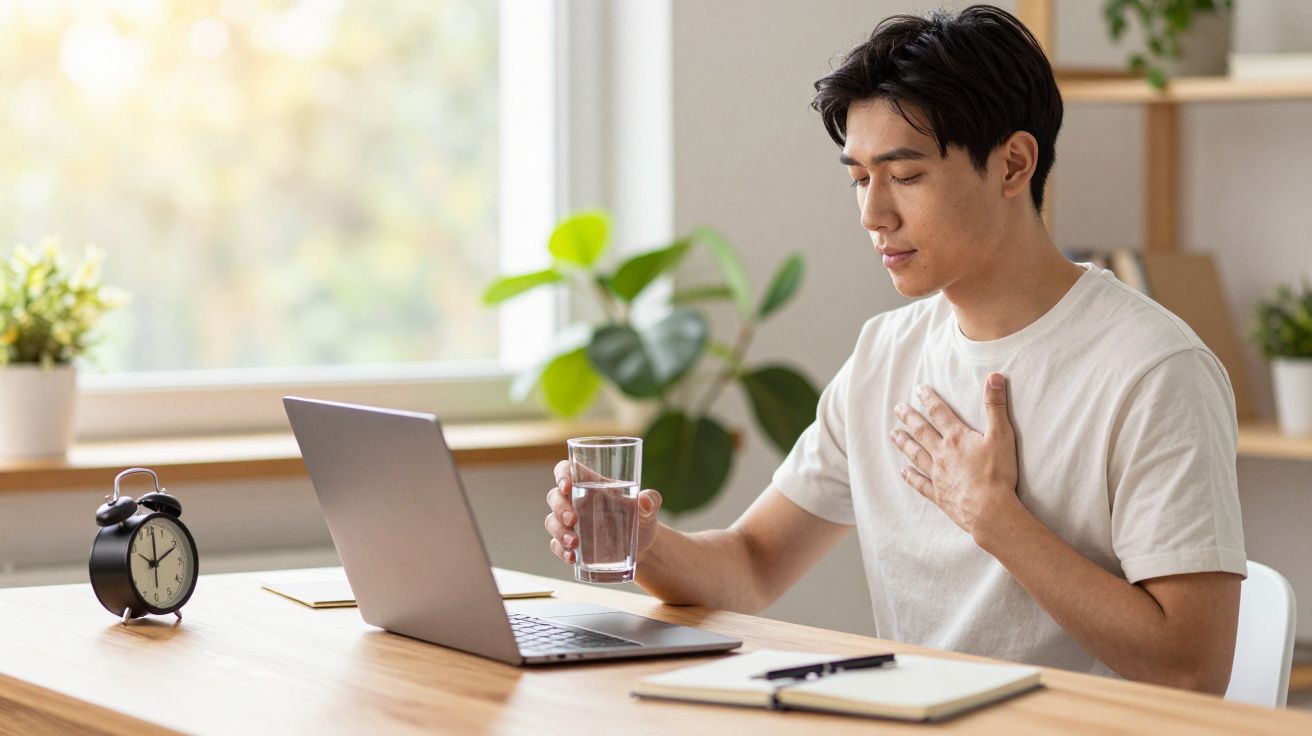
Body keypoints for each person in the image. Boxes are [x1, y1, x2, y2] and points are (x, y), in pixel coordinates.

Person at [543, 5, 1246, 693]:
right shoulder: (885, 354)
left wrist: (994, 518)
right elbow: (753, 565)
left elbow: (1190, 667)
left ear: (1013, 165)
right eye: (858, 178)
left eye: (905, 176)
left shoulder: (1153, 371)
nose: (873, 215)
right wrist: (644, 543)